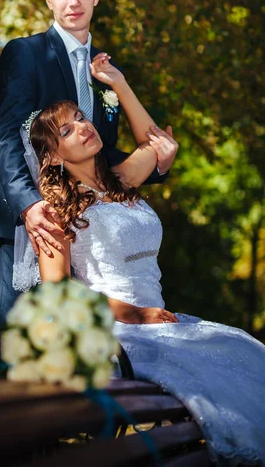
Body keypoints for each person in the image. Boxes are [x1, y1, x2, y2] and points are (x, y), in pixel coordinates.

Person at [17, 53, 265, 465]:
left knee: (243, 353)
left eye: (81, 116)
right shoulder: (54, 214)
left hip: (159, 321)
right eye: (67, 129)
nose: (82, 127)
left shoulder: (123, 180)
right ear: (54, 155)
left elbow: (158, 143)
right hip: (119, 332)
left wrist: (118, 82)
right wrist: (136, 315)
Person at [0, 0, 179, 367]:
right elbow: (6, 135)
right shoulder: (26, 53)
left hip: (88, 224)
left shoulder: (105, 68)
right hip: (32, 224)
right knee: (16, 351)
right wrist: (29, 205)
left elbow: (102, 150)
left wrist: (155, 160)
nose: (73, 2)